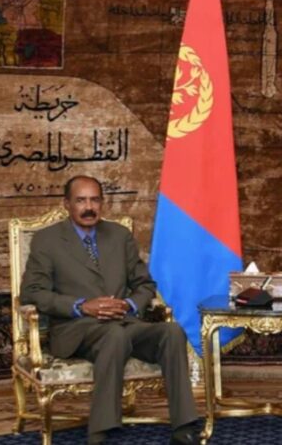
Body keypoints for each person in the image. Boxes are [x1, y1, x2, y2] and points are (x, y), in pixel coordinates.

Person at [21, 175, 200, 445]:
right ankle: (100, 432)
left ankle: (184, 426)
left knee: (172, 332)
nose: (88, 207)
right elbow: (32, 292)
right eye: (81, 200)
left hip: (125, 322)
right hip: (77, 330)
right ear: (66, 204)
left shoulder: (119, 235)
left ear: (102, 203)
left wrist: (128, 305)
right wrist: (82, 306)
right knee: (114, 336)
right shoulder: (47, 240)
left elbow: (145, 285)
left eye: (95, 200)